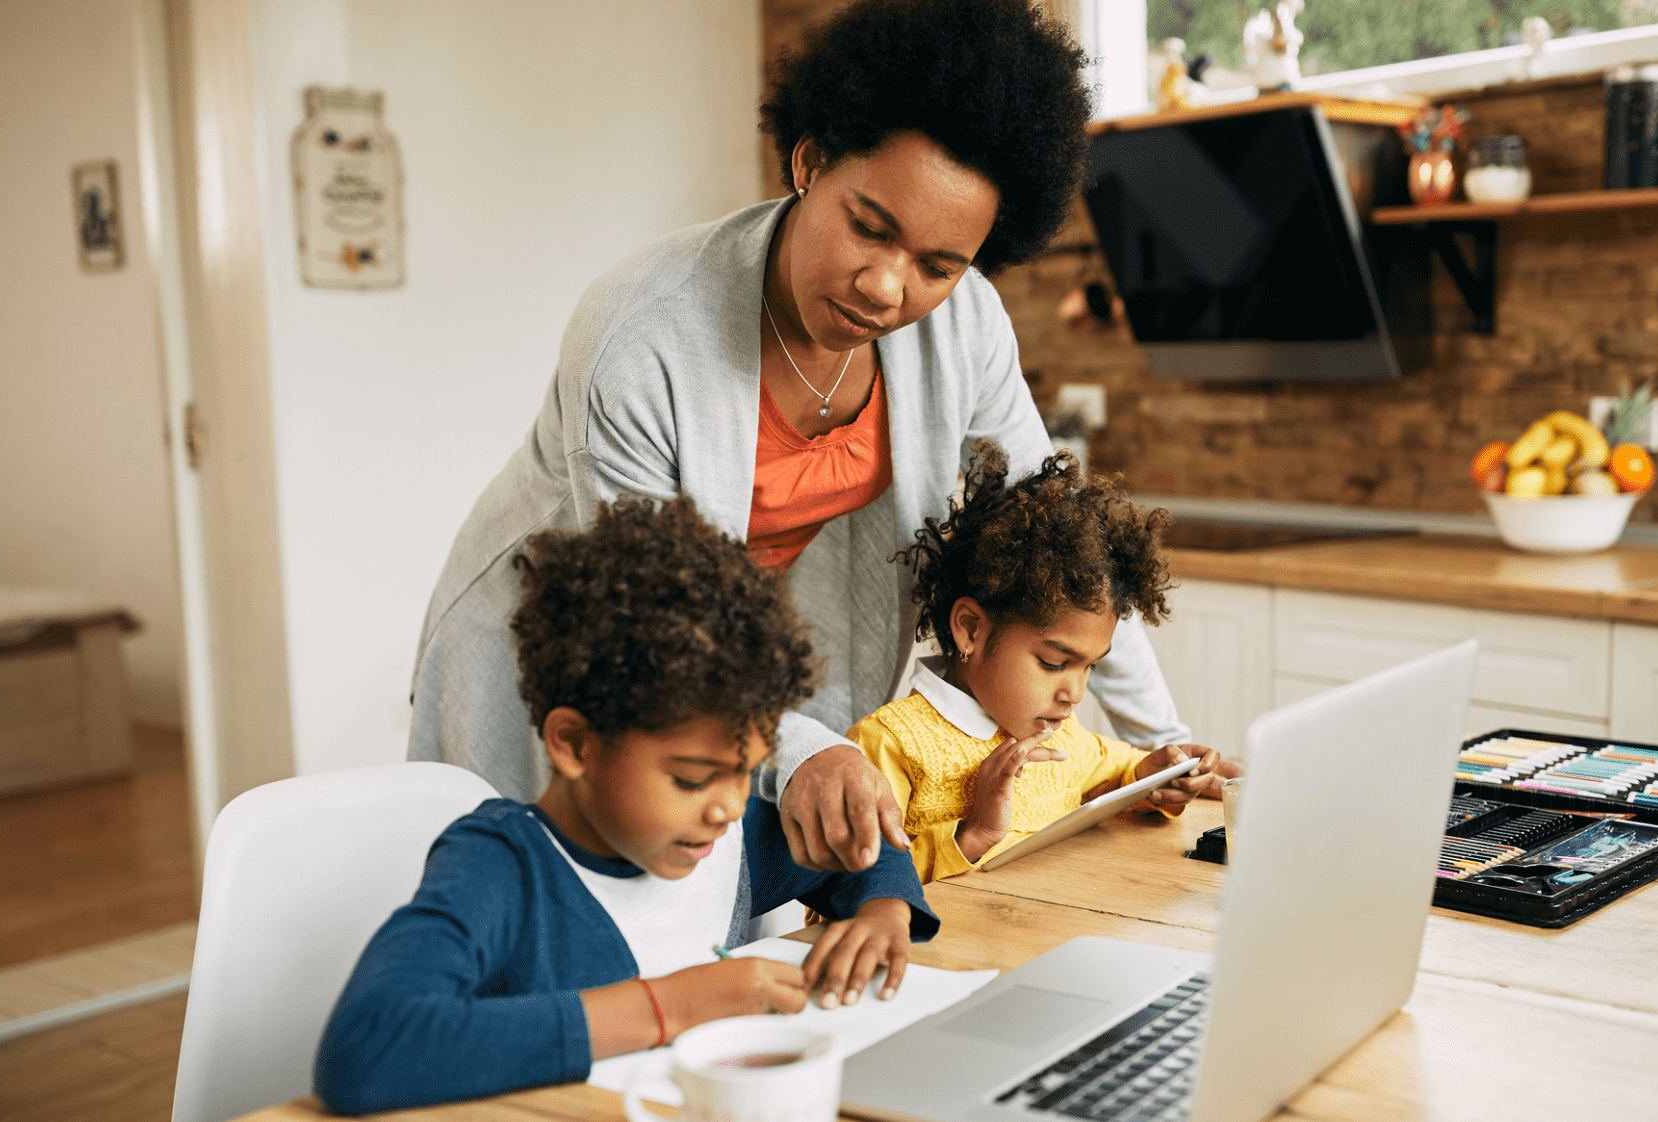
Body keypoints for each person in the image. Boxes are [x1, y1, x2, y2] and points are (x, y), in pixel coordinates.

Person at [409, 0, 1209, 876]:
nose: (885, 286)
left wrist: (1162, 746)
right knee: (552, 909)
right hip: (576, 637)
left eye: (940, 266)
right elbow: (656, 613)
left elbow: (1073, 551)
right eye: (870, 225)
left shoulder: (964, 326)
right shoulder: (640, 342)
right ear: (810, 160)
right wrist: (800, 749)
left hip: (739, 644)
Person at [316, 496, 934, 1116]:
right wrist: (669, 1005)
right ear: (576, 744)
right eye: (694, 779)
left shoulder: (723, 840)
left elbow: (858, 852)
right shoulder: (504, 869)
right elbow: (367, 1046)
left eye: (747, 772)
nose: (730, 806)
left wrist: (883, 914)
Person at [849, 444, 1222, 883]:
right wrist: (973, 835)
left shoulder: (1063, 735)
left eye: (1090, 667)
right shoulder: (887, 745)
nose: (1076, 694)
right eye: (1052, 663)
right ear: (970, 629)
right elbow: (845, 897)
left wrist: (1158, 776)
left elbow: (1118, 773)